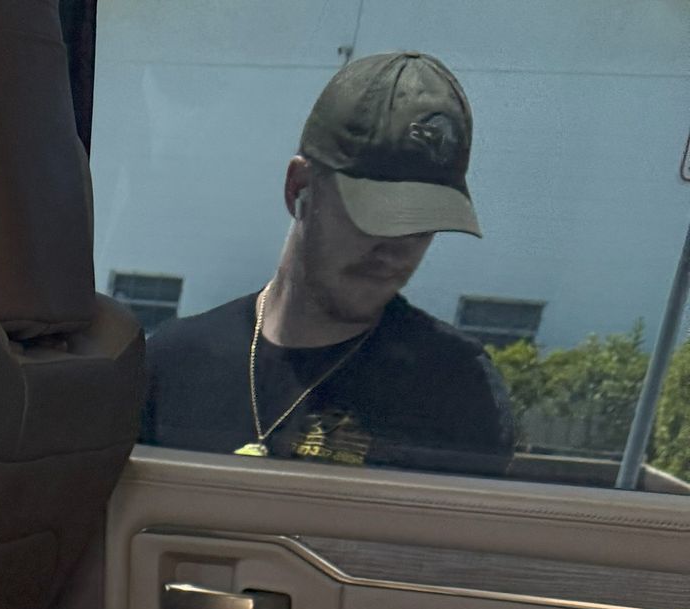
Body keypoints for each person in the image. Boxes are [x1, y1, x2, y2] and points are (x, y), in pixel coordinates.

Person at [140, 52, 516, 475]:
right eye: (376, 216)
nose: (396, 250)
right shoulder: (170, 364)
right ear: (299, 188)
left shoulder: (456, 387)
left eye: (421, 225)